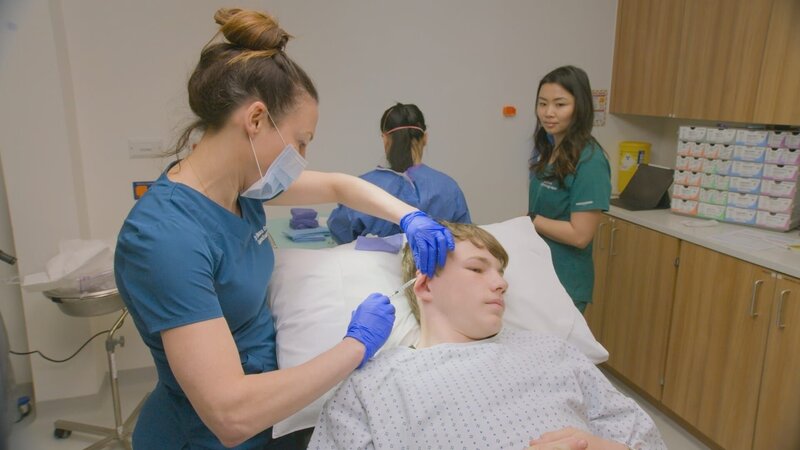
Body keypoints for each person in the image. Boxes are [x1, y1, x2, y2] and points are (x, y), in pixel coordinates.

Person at [113, 8, 455, 450]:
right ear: (255, 120)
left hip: (275, 418)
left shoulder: (242, 188)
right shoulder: (164, 239)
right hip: (207, 437)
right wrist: (356, 346)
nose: (303, 158)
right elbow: (230, 413)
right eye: (300, 142)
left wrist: (409, 216)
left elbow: (339, 186)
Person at [309, 222, 665, 450]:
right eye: (477, 269)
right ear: (426, 283)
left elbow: (647, 439)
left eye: (500, 272)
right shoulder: (375, 387)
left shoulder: (554, 353)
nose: (501, 282)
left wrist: (608, 448)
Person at [528, 66, 611, 313]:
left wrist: (532, 221)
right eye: (542, 104)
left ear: (580, 107)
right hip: (541, 274)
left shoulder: (591, 161)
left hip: (566, 283)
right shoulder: (549, 151)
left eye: (560, 104)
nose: (548, 113)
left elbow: (580, 235)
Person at [327, 103, 471, 244]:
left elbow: (340, 231)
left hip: (376, 267)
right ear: (425, 138)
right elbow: (465, 237)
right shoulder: (449, 187)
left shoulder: (362, 187)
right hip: (436, 267)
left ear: (385, 139)